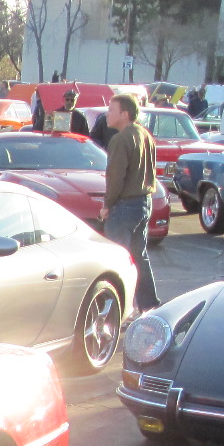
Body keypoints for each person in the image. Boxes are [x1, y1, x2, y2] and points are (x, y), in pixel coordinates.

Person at [100, 94, 160, 314]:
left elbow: (115, 177)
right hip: (143, 203)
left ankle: (116, 310)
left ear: (124, 114)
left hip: (124, 206)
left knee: (117, 260)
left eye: (111, 110)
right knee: (139, 256)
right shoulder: (145, 134)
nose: (107, 114)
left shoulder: (121, 139)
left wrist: (107, 205)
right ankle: (149, 306)